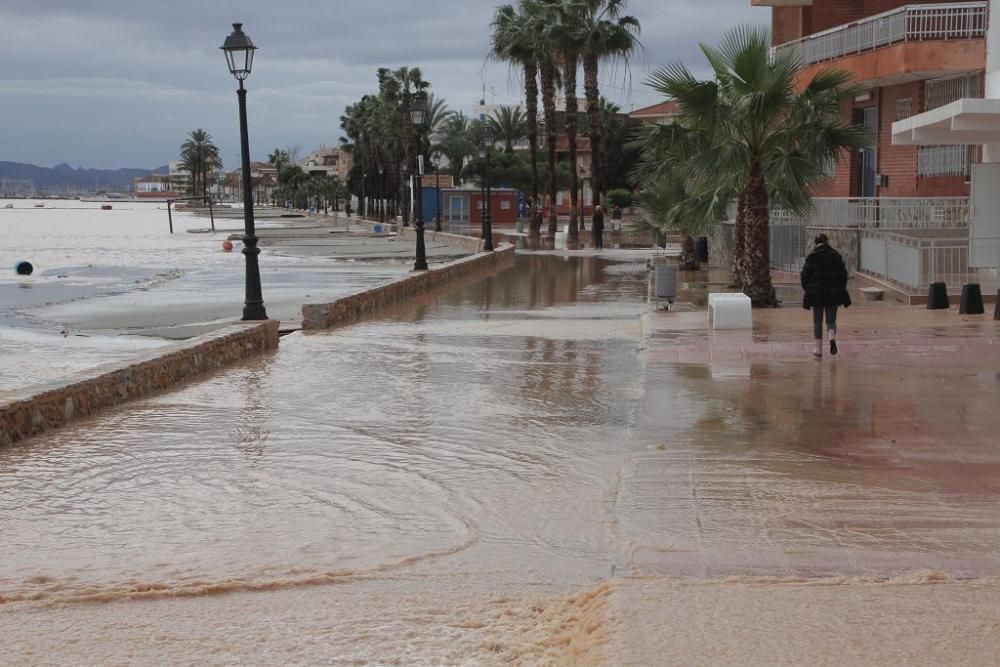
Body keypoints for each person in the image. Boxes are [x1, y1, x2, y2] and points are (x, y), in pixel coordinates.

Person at [801, 233, 851, 358]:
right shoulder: (836, 255)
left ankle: (818, 349)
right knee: (831, 320)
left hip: (816, 294)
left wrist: (807, 288)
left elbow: (805, 275)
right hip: (833, 294)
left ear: (815, 243)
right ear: (827, 242)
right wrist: (840, 288)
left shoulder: (812, 257)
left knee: (817, 321)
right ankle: (831, 337)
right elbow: (843, 274)